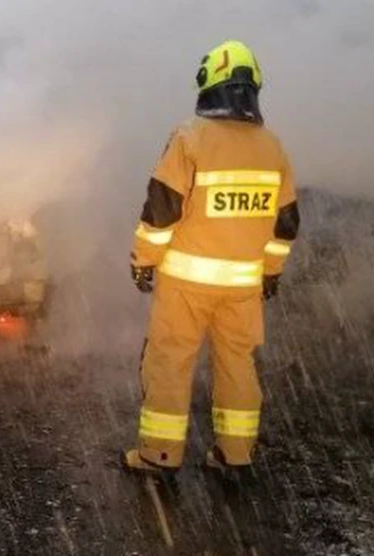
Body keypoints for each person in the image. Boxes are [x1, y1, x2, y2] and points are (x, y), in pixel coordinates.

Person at [124, 40, 300, 475]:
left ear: (210, 83)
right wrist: (271, 271)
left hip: (186, 284)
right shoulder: (272, 148)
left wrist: (143, 259)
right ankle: (235, 455)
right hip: (242, 288)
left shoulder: (190, 138)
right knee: (237, 365)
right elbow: (285, 223)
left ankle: (159, 456)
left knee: (169, 362)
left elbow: (162, 209)